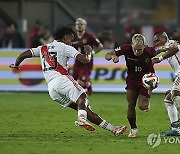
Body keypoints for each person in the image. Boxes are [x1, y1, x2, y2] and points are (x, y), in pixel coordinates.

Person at [9, 25, 126, 136]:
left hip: (52, 89)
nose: (72, 42)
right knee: (83, 98)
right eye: (71, 39)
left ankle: (113, 129)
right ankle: (81, 119)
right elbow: (85, 60)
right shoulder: (65, 47)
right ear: (65, 37)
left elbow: (23, 55)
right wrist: (89, 51)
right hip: (62, 79)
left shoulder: (42, 48)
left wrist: (16, 65)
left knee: (83, 107)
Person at [105, 34, 159, 137]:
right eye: (135, 49)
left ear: (144, 46)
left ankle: (147, 101)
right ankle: (133, 128)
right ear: (131, 45)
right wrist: (113, 56)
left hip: (146, 80)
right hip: (132, 80)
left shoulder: (150, 51)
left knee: (142, 107)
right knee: (130, 103)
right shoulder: (126, 48)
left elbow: (162, 50)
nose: (137, 52)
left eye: (140, 50)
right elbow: (108, 54)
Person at [152, 31, 180, 136]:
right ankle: (175, 129)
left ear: (165, 38)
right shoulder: (166, 47)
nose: (156, 43)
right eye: (155, 41)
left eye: (158, 40)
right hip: (179, 75)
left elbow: (175, 49)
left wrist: (159, 59)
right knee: (168, 99)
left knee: (175, 94)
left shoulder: (172, 44)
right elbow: (155, 51)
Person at [72, 18, 103, 95]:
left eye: (81, 24)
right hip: (77, 63)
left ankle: (82, 97)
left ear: (85, 26)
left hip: (87, 63)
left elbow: (100, 46)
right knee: (74, 83)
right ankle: (88, 84)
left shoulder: (89, 36)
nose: (79, 26)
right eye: (78, 24)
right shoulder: (73, 37)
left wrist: (93, 52)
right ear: (75, 26)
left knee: (80, 83)